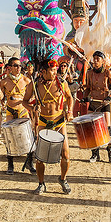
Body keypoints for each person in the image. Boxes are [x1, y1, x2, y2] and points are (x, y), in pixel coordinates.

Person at [23, 59, 74, 195]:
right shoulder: (34, 86)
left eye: (55, 70)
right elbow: (24, 102)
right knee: (40, 157)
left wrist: (69, 111)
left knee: (66, 154)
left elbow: (70, 98)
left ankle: (63, 179)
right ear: (43, 71)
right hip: (43, 123)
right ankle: (41, 184)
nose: (55, 72)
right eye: (52, 70)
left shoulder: (61, 83)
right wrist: (33, 108)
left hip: (59, 122)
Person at [0, 57, 35, 175]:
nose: (19, 68)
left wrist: (31, 101)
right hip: (10, 111)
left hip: (23, 111)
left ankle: (29, 162)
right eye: (16, 66)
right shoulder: (4, 82)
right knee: (10, 139)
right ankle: (10, 164)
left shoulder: (26, 80)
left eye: (19, 66)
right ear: (10, 67)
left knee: (28, 137)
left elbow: (33, 95)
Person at [82, 50, 111, 163]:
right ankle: (95, 154)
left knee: (107, 129)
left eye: (98, 59)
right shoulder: (89, 73)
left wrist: (109, 97)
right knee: (92, 129)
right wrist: (84, 97)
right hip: (93, 103)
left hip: (104, 103)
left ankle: (110, 152)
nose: (95, 61)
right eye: (94, 58)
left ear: (103, 61)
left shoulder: (107, 73)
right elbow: (88, 87)